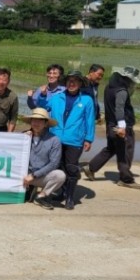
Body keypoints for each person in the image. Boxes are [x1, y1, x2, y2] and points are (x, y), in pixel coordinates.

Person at [37, 71, 95, 209]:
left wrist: (89, 138)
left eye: (75, 81)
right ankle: (61, 192)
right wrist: (43, 95)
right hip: (55, 138)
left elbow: (90, 120)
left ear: (80, 83)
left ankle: (69, 197)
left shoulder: (87, 100)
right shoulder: (57, 97)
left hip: (75, 140)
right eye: (69, 80)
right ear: (65, 83)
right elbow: (43, 108)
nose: (72, 83)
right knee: (56, 166)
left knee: (71, 168)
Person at [83, 66, 140, 189]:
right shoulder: (122, 91)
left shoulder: (109, 87)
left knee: (111, 148)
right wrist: (122, 127)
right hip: (121, 126)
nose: (133, 83)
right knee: (125, 151)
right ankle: (126, 179)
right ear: (127, 79)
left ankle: (91, 167)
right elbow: (119, 108)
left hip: (110, 124)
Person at [21, 108, 65, 210]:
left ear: (46, 124)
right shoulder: (23, 136)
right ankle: (29, 189)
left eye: (40, 120)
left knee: (60, 175)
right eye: (34, 119)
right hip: (23, 174)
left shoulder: (55, 140)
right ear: (30, 122)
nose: (36, 123)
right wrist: (21, 139)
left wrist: (33, 175)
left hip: (40, 176)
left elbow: (54, 163)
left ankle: (41, 196)